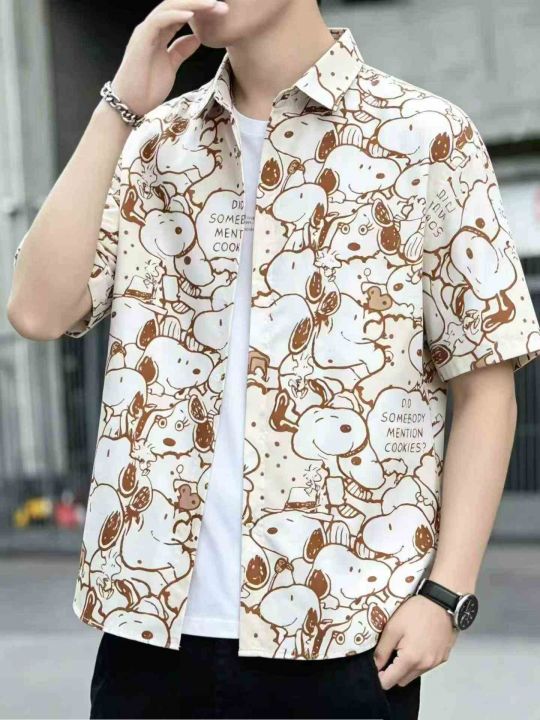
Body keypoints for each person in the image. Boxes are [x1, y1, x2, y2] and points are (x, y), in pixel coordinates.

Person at [8, 0, 540, 718]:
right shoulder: (154, 141)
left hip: (342, 639)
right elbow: (37, 311)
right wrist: (118, 110)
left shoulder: (425, 138)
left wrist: (446, 595)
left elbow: (486, 385)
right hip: (149, 637)